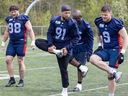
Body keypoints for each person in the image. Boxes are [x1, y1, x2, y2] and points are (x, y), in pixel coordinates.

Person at [35, 5, 88, 96]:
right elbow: (50, 33)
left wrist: (67, 48)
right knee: (37, 42)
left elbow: (76, 38)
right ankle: (57, 52)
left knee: (63, 69)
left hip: (65, 48)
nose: (67, 15)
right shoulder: (54, 20)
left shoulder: (72, 23)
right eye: (65, 13)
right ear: (61, 12)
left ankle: (65, 90)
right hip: (55, 46)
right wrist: (51, 44)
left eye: (69, 13)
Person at [89, 4, 128, 96]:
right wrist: (99, 45)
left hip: (115, 49)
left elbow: (126, 37)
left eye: (105, 15)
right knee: (92, 59)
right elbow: (99, 32)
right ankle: (115, 72)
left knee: (110, 76)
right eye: (102, 14)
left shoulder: (116, 23)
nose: (103, 17)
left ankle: (111, 94)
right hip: (105, 49)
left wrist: (122, 52)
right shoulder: (98, 21)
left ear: (110, 13)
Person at [1, 5, 35, 87]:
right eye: (12, 12)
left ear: (18, 11)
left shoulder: (24, 18)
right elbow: (7, 31)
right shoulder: (9, 19)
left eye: (15, 11)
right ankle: (12, 79)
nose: (13, 13)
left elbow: (30, 30)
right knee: (8, 60)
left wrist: (33, 41)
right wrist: (3, 41)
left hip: (21, 42)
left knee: (20, 61)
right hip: (12, 42)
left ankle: (21, 80)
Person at [71, 10, 94, 92]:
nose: (75, 20)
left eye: (77, 18)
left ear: (81, 17)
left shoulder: (86, 25)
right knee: (66, 60)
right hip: (71, 46)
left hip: (82, 47)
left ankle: (79, 85)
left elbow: (90, 39)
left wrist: (89, 52)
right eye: (74, 18)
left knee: (80, 67)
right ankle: (83, 68)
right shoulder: (70, 23)